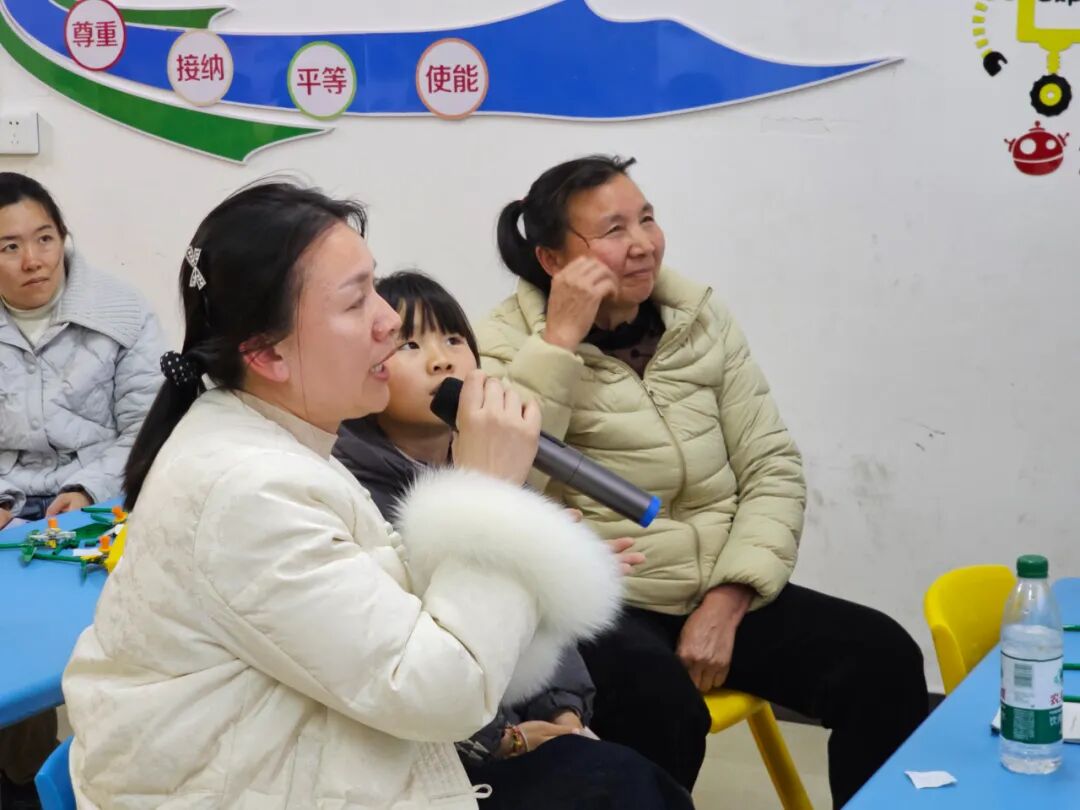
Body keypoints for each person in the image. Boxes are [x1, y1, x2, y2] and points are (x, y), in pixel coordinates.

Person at [61, 181, 627, 810]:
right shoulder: (247, 489)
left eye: (374, 287)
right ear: (266, 353)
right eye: (357, 302)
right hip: (243, 784)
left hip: (311, 751)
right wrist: (488, 494)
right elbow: (445, 693)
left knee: (618, 763)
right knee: (614, 784)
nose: (389, 321)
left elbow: (392, 621)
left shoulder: (279, 440)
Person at [478, 154, 930, 807]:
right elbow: (507, 491)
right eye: (613, 230)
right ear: (552, 260)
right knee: (659, 705)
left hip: (720, 585)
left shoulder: (697, 317)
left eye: (647, 219)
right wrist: (558, 343)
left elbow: (771, 463)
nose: (642, 244)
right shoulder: (503, 344)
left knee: (882, 659)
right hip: (607, 599)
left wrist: (730, 596)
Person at [334, 270, 692, 809]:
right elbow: (423, 651)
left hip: (519, 697)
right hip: (448, 747)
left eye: (453, 339)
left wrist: (565, 713)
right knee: (618, 779)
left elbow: (533, 620)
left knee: (660, 697)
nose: (442, 361)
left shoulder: (489, 457)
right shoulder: (358, 490)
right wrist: (509, 738)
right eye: (410, 345)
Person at [0, 173, 163, 810]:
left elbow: (148, 427)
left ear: (64, 237)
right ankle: (21, 774)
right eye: (9, 246)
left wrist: (85, 487)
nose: (33, 260)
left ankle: (106, 775)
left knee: (118, 638)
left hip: (101, 505)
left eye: (44, 239)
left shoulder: (122, 312)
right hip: (8, 510)